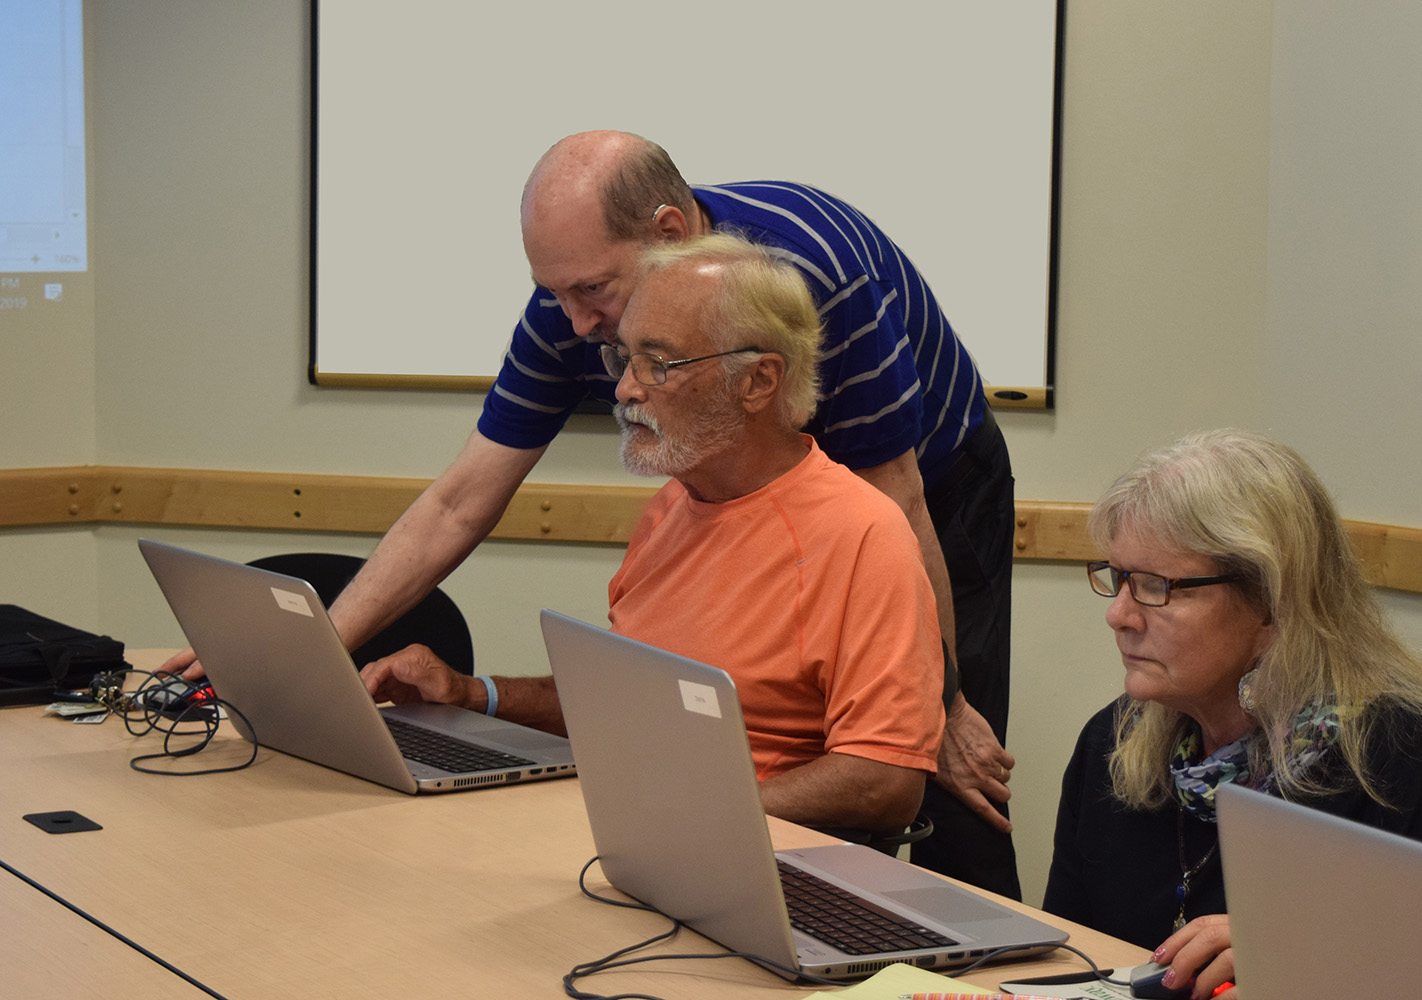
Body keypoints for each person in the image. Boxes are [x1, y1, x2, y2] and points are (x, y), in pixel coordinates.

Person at [167, 131, 1017, 889]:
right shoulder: (654, 470)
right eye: (614, 341)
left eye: (647, 351)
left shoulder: (816, 283)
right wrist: (312, 664)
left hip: (930, 481)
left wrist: (936, 708)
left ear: (667, 238)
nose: (585, 340)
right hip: (689, 810)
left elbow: (896, 501)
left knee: (955, 774)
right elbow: (461, 501)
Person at [365, 232, 946, 833]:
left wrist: (688, 815)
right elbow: (629, 705)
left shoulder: (862, 534)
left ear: (758, 382)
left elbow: (884, 781)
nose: (624, 389)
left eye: (659, 364)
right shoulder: (671, 508)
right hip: (637, 838)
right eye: (624, 359)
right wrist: (472, 694)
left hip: (761, 869)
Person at [1043, 429, 1422, 1000]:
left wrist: (1302, 964)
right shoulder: (1111, 741)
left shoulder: (1397, 753)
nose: (1119, 614)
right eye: (1118, 579)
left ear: (1270, 601)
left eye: (1155, 586)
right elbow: (1066, 964)